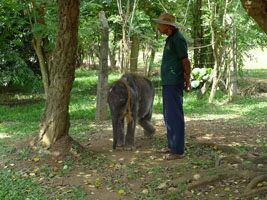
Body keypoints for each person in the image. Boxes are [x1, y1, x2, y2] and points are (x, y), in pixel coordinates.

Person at [152, 13, 191, 160]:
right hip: (168, 81)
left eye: (161, 24)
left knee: (175, 115)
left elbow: (185, 61)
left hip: (174, 82)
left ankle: (178, 150)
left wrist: (187, 79)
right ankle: (172, 145)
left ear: (168, 26)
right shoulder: (170, 39)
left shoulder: (178, 39)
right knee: (168, 115)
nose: (158, 27)